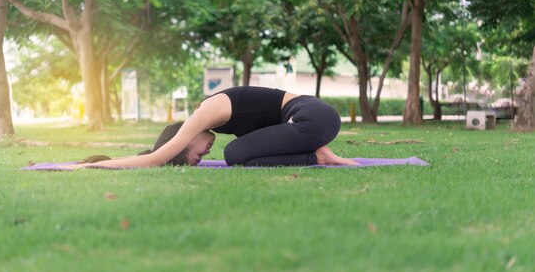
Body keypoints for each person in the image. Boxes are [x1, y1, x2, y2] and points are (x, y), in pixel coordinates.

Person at [69, 86, 358, 170]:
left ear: (184, 139)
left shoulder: (204, 113)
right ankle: (317, 154)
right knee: (246, 159)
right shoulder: (218, 121)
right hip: (312, 121)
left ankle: (316, 156)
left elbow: (156, 158)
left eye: (196, 156)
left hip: (313, 116)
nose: (206, 153)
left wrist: (92, 167)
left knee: (234, 154)